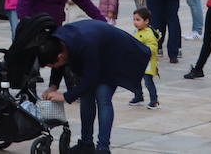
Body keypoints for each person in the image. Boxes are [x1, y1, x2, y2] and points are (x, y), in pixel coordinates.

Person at [38, 19, 149, 154]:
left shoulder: (84, 43)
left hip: (114, 55)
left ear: (61, 56)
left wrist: (66, 96)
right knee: (86, 97)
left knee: (103, 98)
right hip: (96, 53)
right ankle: (86, 144)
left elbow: (91, 78)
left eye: (51, 65)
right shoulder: (58, 41)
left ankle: (103, 148)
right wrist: (53, 86)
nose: (53, 68)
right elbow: (59, 66)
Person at [127, 7, 160, 109]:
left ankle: (154, 100)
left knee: (148, 82)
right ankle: (138, 96)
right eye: (134, 19)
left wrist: (143, 49)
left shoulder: (149, 34)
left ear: (146, 21)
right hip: (138, 62)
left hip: (148, 63)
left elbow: (153, 48)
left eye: (138, 20)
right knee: (135, 80)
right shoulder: (138, 31)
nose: (135, 22)